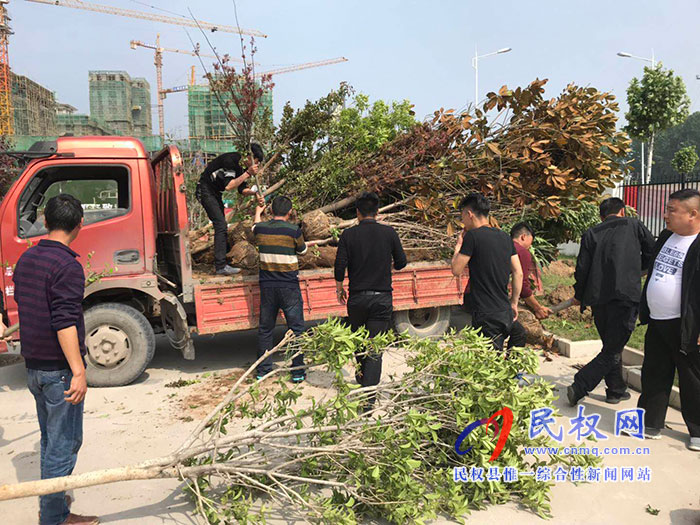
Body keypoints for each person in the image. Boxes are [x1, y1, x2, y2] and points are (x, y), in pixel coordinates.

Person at [3, 194, 99, 525]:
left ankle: (54, 502)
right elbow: (64, 322)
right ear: (80, 225)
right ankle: (54, 518)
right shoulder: (67, 266)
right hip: (58, 372)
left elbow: (32, 306)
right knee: (65, 444)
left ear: (45, 221)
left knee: (50, 440)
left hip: (34, 369)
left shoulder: (28, 259)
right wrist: (79, 371)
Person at [567, 197, 655, 407]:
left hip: (598, 299)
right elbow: (652, 250)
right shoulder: (634, 225)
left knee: (612, 344)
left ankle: (615, 390)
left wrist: (579, 295)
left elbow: (582, 269)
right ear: (623, 211)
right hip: (625, 297)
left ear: (601, 216)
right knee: (613, 348)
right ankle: (581, 384)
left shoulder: (591, 233)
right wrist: (639, 269)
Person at [636, 189, 700, 449]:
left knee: (692, 378)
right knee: (654, 371)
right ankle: (650, 423)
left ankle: (697, 430)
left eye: (672, 210)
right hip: (658, 319)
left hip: (686, 324)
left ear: (692, 214)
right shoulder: (666, 236)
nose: (665, 215)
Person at [334, 191, 407, 402]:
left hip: (357, 298)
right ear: (377, 212)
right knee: (375, 347)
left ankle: (361, 381)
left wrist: (340, 288)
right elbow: (401, 262)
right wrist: (386, 264)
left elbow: (340, 266)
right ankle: (368, 398)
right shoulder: (389, 233)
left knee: (358, 341)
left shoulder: (348, 235)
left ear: (357, 213)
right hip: (381, 298)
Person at [451, 193, 523, 351]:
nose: (462, 221)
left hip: (485, 313)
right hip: (504, 310)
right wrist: (514, 302)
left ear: (469, 214)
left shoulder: (472, 237)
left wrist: (458, 246)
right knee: (516, 336)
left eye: (462, 216)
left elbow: (456, 270)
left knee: (490, 364)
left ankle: (508, 375)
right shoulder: (505, 237)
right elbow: (518, 272)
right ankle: (513, 373)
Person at [253, 195, 308, 382]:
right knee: (296, 329)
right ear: (290, 212)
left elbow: (254, 227)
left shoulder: (260, 228)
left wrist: (257, 212)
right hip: (289, 286)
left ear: (271, 210)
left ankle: (263, 370)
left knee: (266, 328)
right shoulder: (294, 231)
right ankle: (298, 372)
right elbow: (303, 250)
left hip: (267, 286)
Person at [196, 145, 263, 276]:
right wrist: (248, 173)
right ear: (249, 157)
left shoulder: (240, 167)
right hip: (205, 190)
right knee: (221, 225)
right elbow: (228, 186)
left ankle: (222, 261)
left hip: (215, 193)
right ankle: (220, 266)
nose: (257, 164)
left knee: (222, 226)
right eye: (256, 161)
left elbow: (241, 189)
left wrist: (254, 193)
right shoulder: (230, 161)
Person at [511, 222, 551, 320]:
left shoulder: (500, 244)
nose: (529, 247)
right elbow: (523, 286)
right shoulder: (521, 251)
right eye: (530, 243)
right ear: (523, 237)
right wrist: (537, 308)